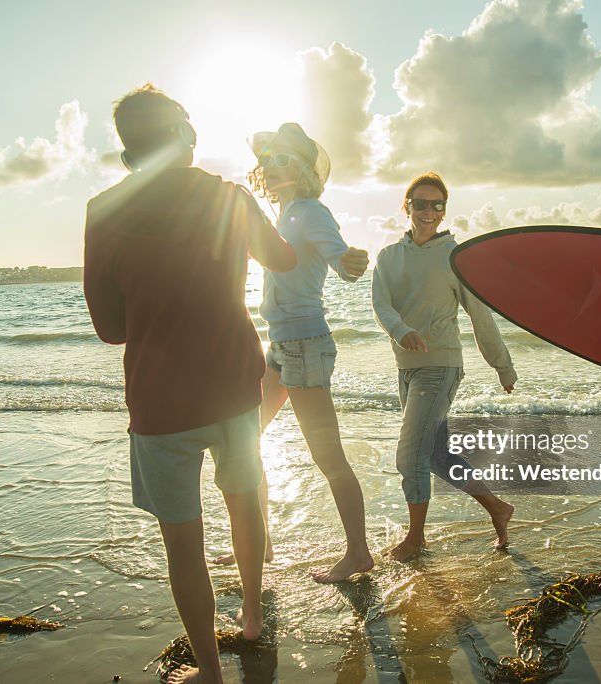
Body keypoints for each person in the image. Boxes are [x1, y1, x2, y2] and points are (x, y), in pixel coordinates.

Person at [83, 84, 296, 684]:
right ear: (187, 136)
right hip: (232, 387)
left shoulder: (102, 212)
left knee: (184, 547)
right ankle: (252, 616)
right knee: (245, 507)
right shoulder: (228, 198)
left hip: (159, 402)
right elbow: (282, 260)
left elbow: (109, 328)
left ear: (128, 153)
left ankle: (209, 669)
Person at [213, 122, 374, 583]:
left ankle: (359, 552)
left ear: (303, 167)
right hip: (281, 345)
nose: (274, 167)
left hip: (305, 344)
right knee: (244, 441)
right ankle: (258, 543)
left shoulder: (309, 210)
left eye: (284, 158)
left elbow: (342, 261)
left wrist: (351, 261)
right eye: (268, 160)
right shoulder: (282, 214)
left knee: (328, 456)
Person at [371, 172, 518, 561]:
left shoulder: (456, 258)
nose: (429, 211)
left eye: (437, 205)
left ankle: (416, 539)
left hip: (441, 367)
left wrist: (503, 366)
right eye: (421, 204)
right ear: (407, 207)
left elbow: (479, 316)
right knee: (436, 457)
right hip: (407, 368)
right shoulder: (388, 257)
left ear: (444, 210)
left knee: (410, 456)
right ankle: (499, 509)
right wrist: (402, 332)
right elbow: (381, 305)